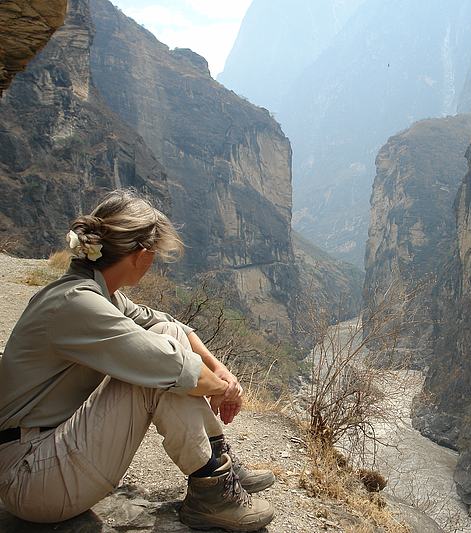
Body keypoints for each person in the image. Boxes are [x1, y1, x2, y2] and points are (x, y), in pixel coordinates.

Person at [0, 189, 276, 531]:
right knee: (161, 364)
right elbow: (174, 367)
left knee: (165, 335)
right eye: (156, 253)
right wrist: (224, 389)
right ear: (142, 255)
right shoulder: (76, 305)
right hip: (30, 477)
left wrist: (221, 371)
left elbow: (168, 324)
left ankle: (219, 468)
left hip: (47, 456)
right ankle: (212, 489)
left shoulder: (97, 293)